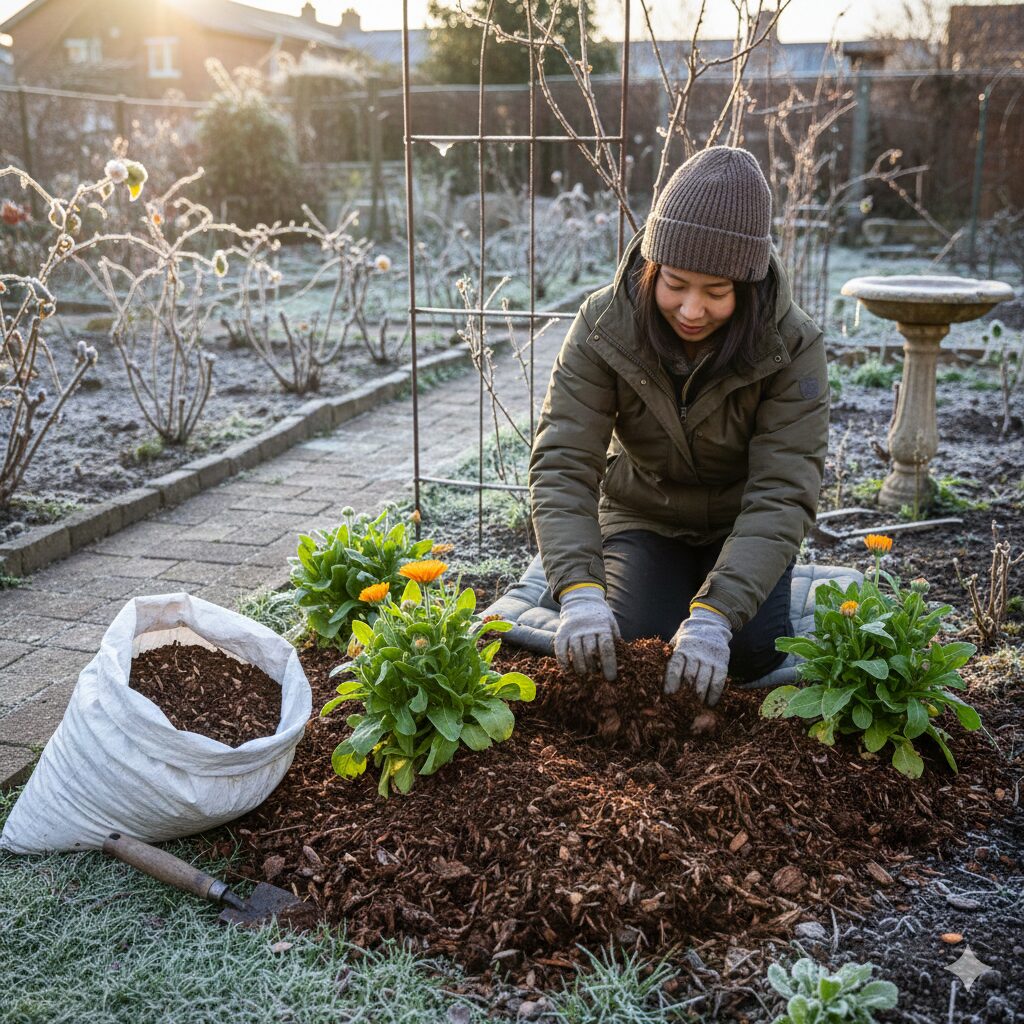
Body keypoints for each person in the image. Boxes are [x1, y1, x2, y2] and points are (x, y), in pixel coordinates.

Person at [528, 145, 829, 708]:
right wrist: (578, 590)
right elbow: (564, 461)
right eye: (675, 284)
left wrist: (717, 616)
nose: (692, 309)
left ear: (747, 285)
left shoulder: (791, 344)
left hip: (742, 521)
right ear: (651, 267)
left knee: (747, 654)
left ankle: (721, 603)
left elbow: (783, 491)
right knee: (631, 645)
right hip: (645, 513)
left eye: (717, 293)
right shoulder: (603, 325)